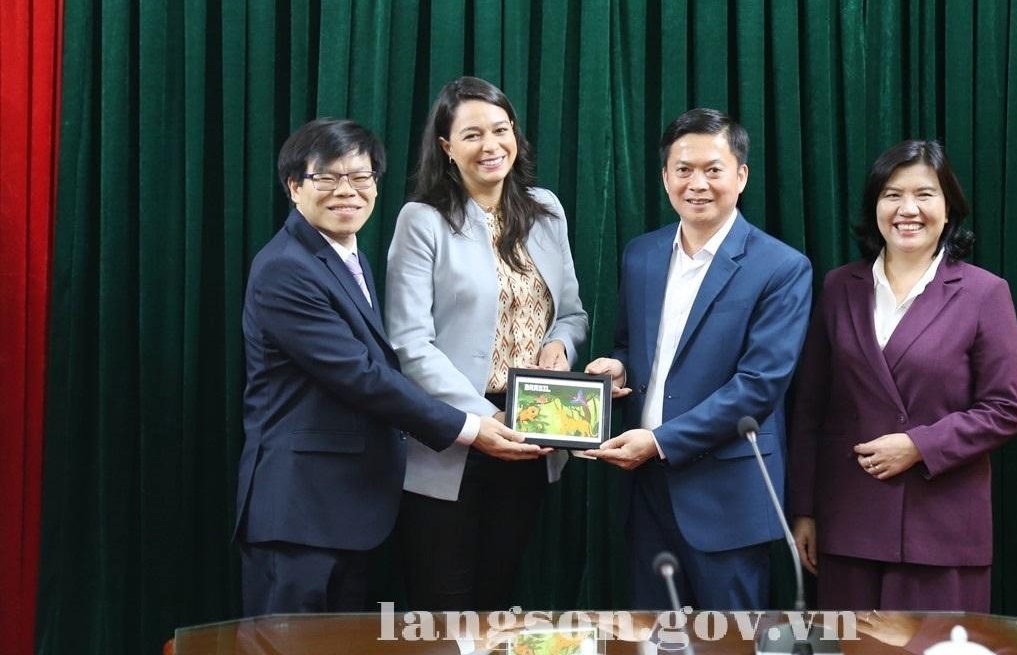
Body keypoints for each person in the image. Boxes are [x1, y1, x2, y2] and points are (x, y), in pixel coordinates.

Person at [235, 118, 544, 616]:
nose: (347, 191)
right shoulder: (286, 268)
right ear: (294, 187)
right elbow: (362, 377)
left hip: (348, 511)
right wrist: (470, 427)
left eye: (361, 177)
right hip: (299, 515)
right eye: (327, 178)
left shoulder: (345, 257)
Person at [584, 108, 812, 609]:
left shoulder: (781, 267)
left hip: (728, 494)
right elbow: (630, 346)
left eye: (713, 169)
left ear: (741, 176)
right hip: (645, 491)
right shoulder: (641, 254)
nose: (697, 184)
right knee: (652, 637)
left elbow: (758, 386)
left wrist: (659, 441)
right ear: (665, 176)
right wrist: (619, 368)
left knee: (731, 640)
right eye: (683, 169)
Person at [787, 139, 1017, 612]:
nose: (907, 209)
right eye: (892, 194)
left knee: (934, 646)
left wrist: (919, 445)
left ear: (949, 208)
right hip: (849, 521)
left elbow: (1003, 410)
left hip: (941, 527)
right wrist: (804, 510)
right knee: (849, 646)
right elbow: (810, 407)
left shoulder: (985, 293)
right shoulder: (839, 286)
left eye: (924, 194)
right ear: (875, 207)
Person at [384, 77, 588, 611]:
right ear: (446, 147)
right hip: (452, 435)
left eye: (500, 130)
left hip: (531, 435)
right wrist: (483, 419)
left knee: (498, 603)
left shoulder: (546, 210)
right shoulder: (422, 220)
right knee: (444, 613)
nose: (490, 145)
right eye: (472, 135)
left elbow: (571, 314)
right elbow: (409, 343)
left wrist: (560, 347)